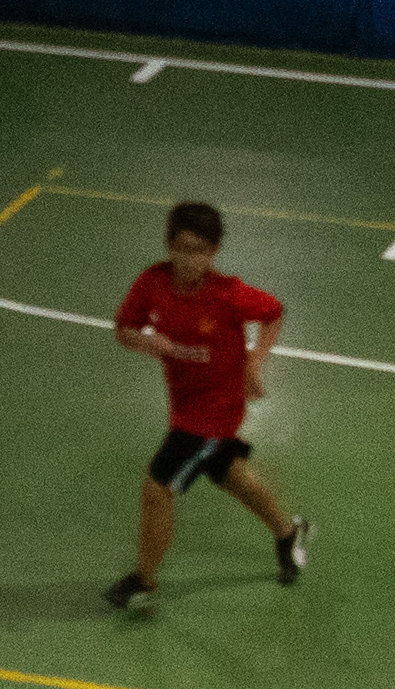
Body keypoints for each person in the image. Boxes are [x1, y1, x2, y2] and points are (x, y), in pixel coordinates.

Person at [106, 200, 308, 612]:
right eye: (182, 248)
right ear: (169, 245)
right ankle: (287, 534)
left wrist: (253, 363)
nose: (189, 259)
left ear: (214, 252)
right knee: (233, 478)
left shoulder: (228, 294)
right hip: (184, 405)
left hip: (217, 411)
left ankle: (144, 579)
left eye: (200, 251)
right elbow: (124, 329)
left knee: (158, 487)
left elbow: (273, 312)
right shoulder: (152, 283)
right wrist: (150, 343)